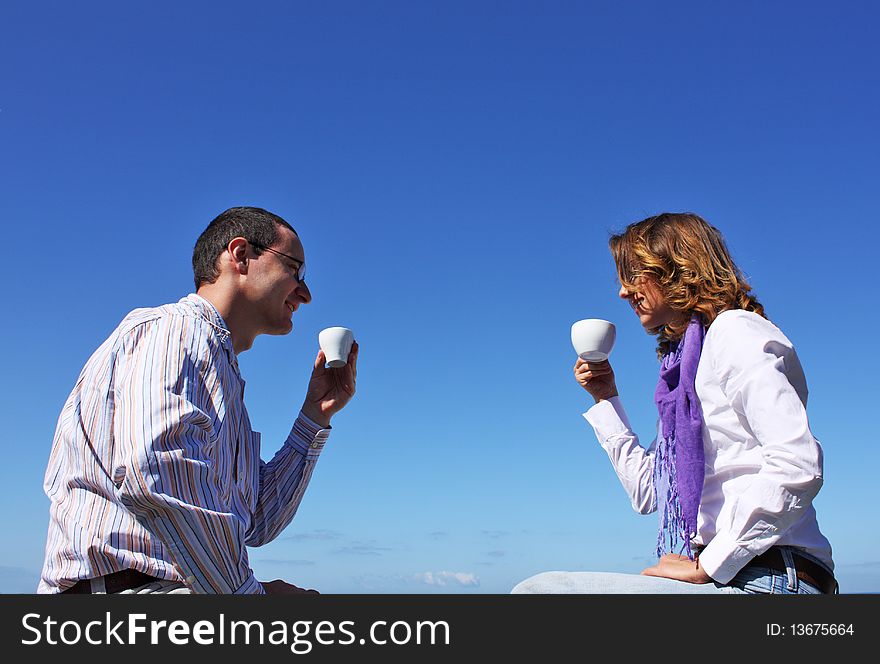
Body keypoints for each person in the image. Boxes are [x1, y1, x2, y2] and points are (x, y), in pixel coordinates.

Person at [38, 206, 358, 594]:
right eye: (295, 269)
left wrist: (313, 416)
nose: (305, 294)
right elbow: (156, 471)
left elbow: (258, 520)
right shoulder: (177, 331)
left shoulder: (218, 371)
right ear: (240, 255)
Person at [512, 212, 835, 594]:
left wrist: (710, 563)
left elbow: (797, 464)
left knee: (542, 593)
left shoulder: (734, 332)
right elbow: (649, 492)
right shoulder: (681, 376)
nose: (622, 291)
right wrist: (606, 397)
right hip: (736, 572)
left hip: (770, 575)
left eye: (634, 274)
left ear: (676, 269)